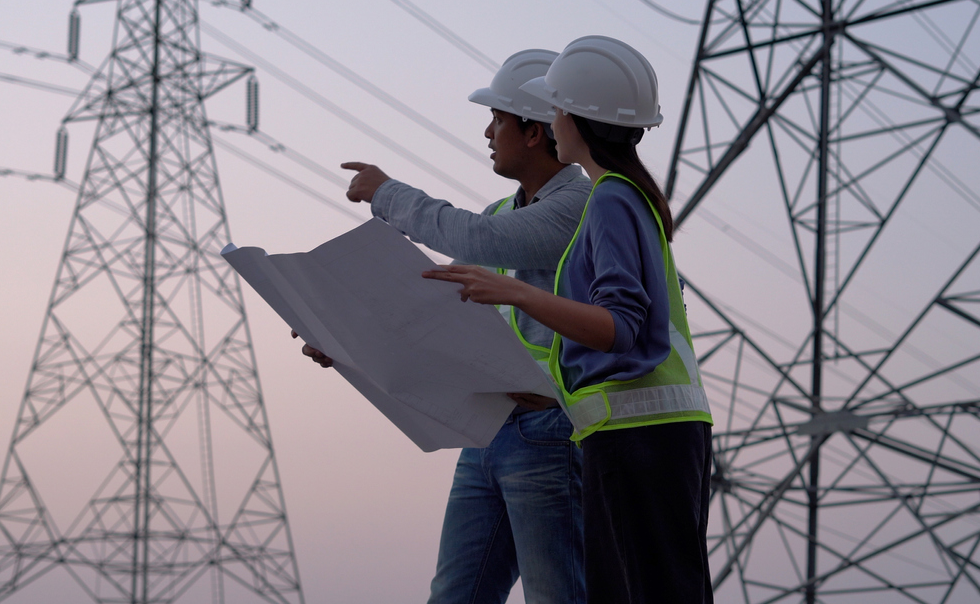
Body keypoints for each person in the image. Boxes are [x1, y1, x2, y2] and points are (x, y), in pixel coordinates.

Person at [423, 36, 715, 604]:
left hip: (627, 433)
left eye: (554, 109)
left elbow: (622, 326)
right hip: (622, 431)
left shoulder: (605, 200)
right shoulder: (622, 196)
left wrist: (517, 292)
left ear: (572, 119)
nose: (549, 119)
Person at [297, 49, 592, 604]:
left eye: (498, 119)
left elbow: (473, 243)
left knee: (559, 597)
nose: (488, 131)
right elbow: (444, 322)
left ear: (533, 133)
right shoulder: (506, 212)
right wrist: (346, 340)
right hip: (492, 429)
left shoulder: (580, 204)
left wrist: (386, 193)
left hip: (553, 429)